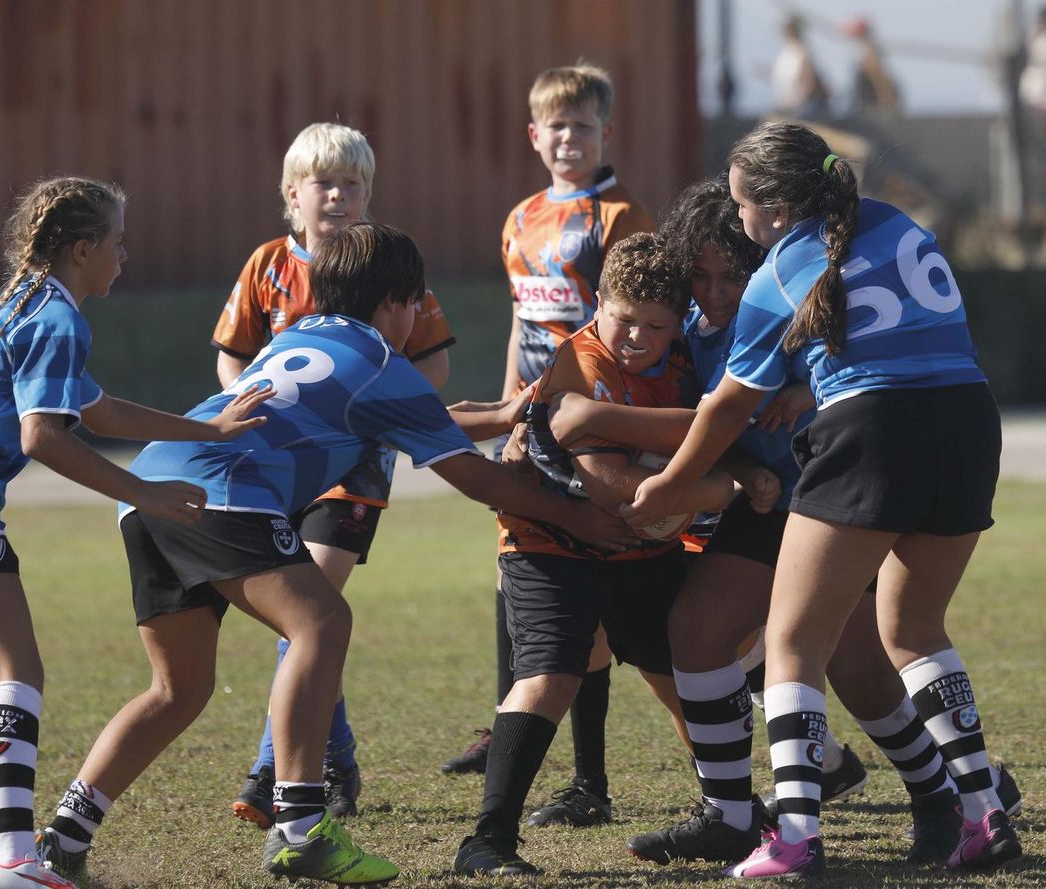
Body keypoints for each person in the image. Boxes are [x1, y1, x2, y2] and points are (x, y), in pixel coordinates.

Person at [33, 223, 634, 887]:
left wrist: (505, 412)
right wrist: (581, 516)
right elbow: (477, 478)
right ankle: (298, 827)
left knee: (179, 687)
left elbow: (423, 417)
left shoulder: (304, 337)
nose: (415, 319)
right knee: (320, 622)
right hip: (225, 492)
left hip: (152, 490)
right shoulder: (381, 364)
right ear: (394, 305)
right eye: (415, 305)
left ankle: (64, 835)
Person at [542, 178, 1021, 870]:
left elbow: (734, 407)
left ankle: (925, 797)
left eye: (726, 274)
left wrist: (610, 424)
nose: (710, 291)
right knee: (742, 636)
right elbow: (715, 414)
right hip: (781, 499)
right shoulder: (693, 331)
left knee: (820, 652)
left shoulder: (791, 296)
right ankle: (744, 813)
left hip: (832, 490)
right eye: (698, 275)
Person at [0, 176, 271, 889]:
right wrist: (146, 492)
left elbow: (99, 411)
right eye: (116, 242)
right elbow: (44, 435)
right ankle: (13, 858)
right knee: (15, 676)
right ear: (83, 249)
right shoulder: (56, 317)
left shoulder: (18, 308)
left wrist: (208, 428)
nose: (124, 255)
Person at [452, 233, 742, 877]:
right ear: (597, 305)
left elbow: (720, 427)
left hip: (641, 551)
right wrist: (724, 486)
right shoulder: (579, 363)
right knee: (551, 677)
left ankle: (731, 814)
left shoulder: (686, 361)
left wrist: (716, 454)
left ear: (678, 325)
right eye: (624, 319)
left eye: (655, 325)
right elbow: (611, 489)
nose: (637, 337)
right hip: (548, 545)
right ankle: (487, 841)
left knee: (689, 676)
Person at [211, 122, 458, 826]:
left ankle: (269, 770)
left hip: (353, 468)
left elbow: (434, 360)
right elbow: (232, 356)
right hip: (277, 466)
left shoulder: (387, 264)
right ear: (293, 195)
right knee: (301, 619)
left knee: (307, 608)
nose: (341, 196)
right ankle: (337, 754)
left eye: (355, 184)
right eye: (326, 182)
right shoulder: (266, 265)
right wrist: (243, 399)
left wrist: (387, 404)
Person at [441, 64, 654, 834]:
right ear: (534, 137)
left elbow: (639, 325)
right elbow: (519, 323)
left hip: (588, 423)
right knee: (523, 581)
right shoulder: (521, 216)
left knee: (585, 600)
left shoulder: (621, 216)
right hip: (531, 424)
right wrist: (503, 416)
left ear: (606, 132)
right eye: (554, 127)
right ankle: (528, 742)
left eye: (582, 125)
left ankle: (589, 780)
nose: (568, 138)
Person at [772, 15, 830, 119]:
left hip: (802, 106)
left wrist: (800, 103)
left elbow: (808, 80)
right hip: (788, 104)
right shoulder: (787, 53)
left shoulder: (802, 53)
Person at [843, 18, 900, 114]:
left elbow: (881, 83)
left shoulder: (868, 53)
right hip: (864, 105)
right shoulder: (864, 51)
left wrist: (887, 106)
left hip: (871, 108)